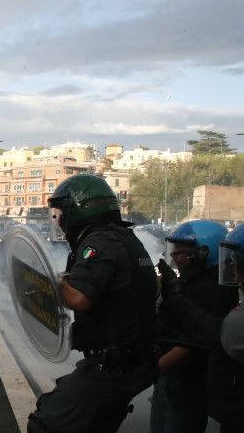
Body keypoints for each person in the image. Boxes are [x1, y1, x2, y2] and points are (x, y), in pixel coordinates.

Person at [27, 174, 158, 433]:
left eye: (62, 211)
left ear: (79, 209)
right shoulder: (124, 238)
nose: (59, 219)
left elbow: (78, 297)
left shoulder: (99, 242)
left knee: (47, 424)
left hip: (113, 366)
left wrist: (49, 281)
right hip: (132, 360)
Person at [151, 220, 238, 433]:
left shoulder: (215, 290)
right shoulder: (187, 282)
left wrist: (155, 367)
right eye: (174, 251)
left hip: (188, 380)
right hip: (168, 374)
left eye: (184, 253)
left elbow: (194, 342)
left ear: (205, 253)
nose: (175, 257)